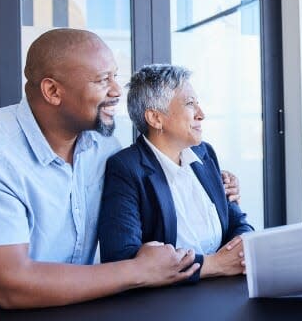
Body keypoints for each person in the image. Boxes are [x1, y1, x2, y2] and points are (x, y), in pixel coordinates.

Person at [0, 29, 240, 309]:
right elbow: (12, 286)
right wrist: (138, 270)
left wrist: (208, 185)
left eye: (115, 76)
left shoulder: (104, 147)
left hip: (75, 303)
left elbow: (147, 205)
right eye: (103, 80)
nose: (118, 91)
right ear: (52, 91)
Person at [98, 64, 254, 282]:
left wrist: (243, 250)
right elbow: (122, 257)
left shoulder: (204, 153)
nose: (201, 114)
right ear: (155, 118)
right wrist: (214, 265)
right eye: (190, 104)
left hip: (225, 289)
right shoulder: (126, 168)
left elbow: (238, 222)